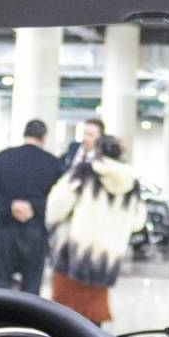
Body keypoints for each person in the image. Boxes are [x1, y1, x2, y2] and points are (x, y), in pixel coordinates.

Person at [45, 135, 145, 325]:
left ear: (97, 150)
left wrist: (53, 224)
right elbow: (138, 222)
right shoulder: (132, 183)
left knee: (63, 316)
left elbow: (58, 205)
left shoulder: (84, 172)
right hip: (105, 259)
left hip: (72, 254)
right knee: (93, 317)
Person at [0, 119, 65, 293]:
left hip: (5, 228)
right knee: (31, 285)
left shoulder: (3, 157)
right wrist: (33, 206)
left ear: (24, 134)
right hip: (35, 231)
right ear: (44, 137)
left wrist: (10, 206)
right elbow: (58, 198)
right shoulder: (53, 163)